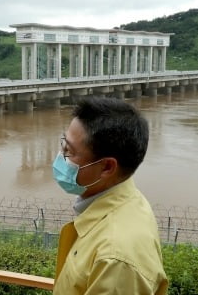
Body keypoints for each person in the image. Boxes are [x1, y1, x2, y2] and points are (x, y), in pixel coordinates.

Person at [52, 97, 168, 294]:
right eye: (64, 144)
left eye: (69, 151)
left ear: (107, 167)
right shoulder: (127, 199)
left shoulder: (117, 260)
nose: (61, 155)